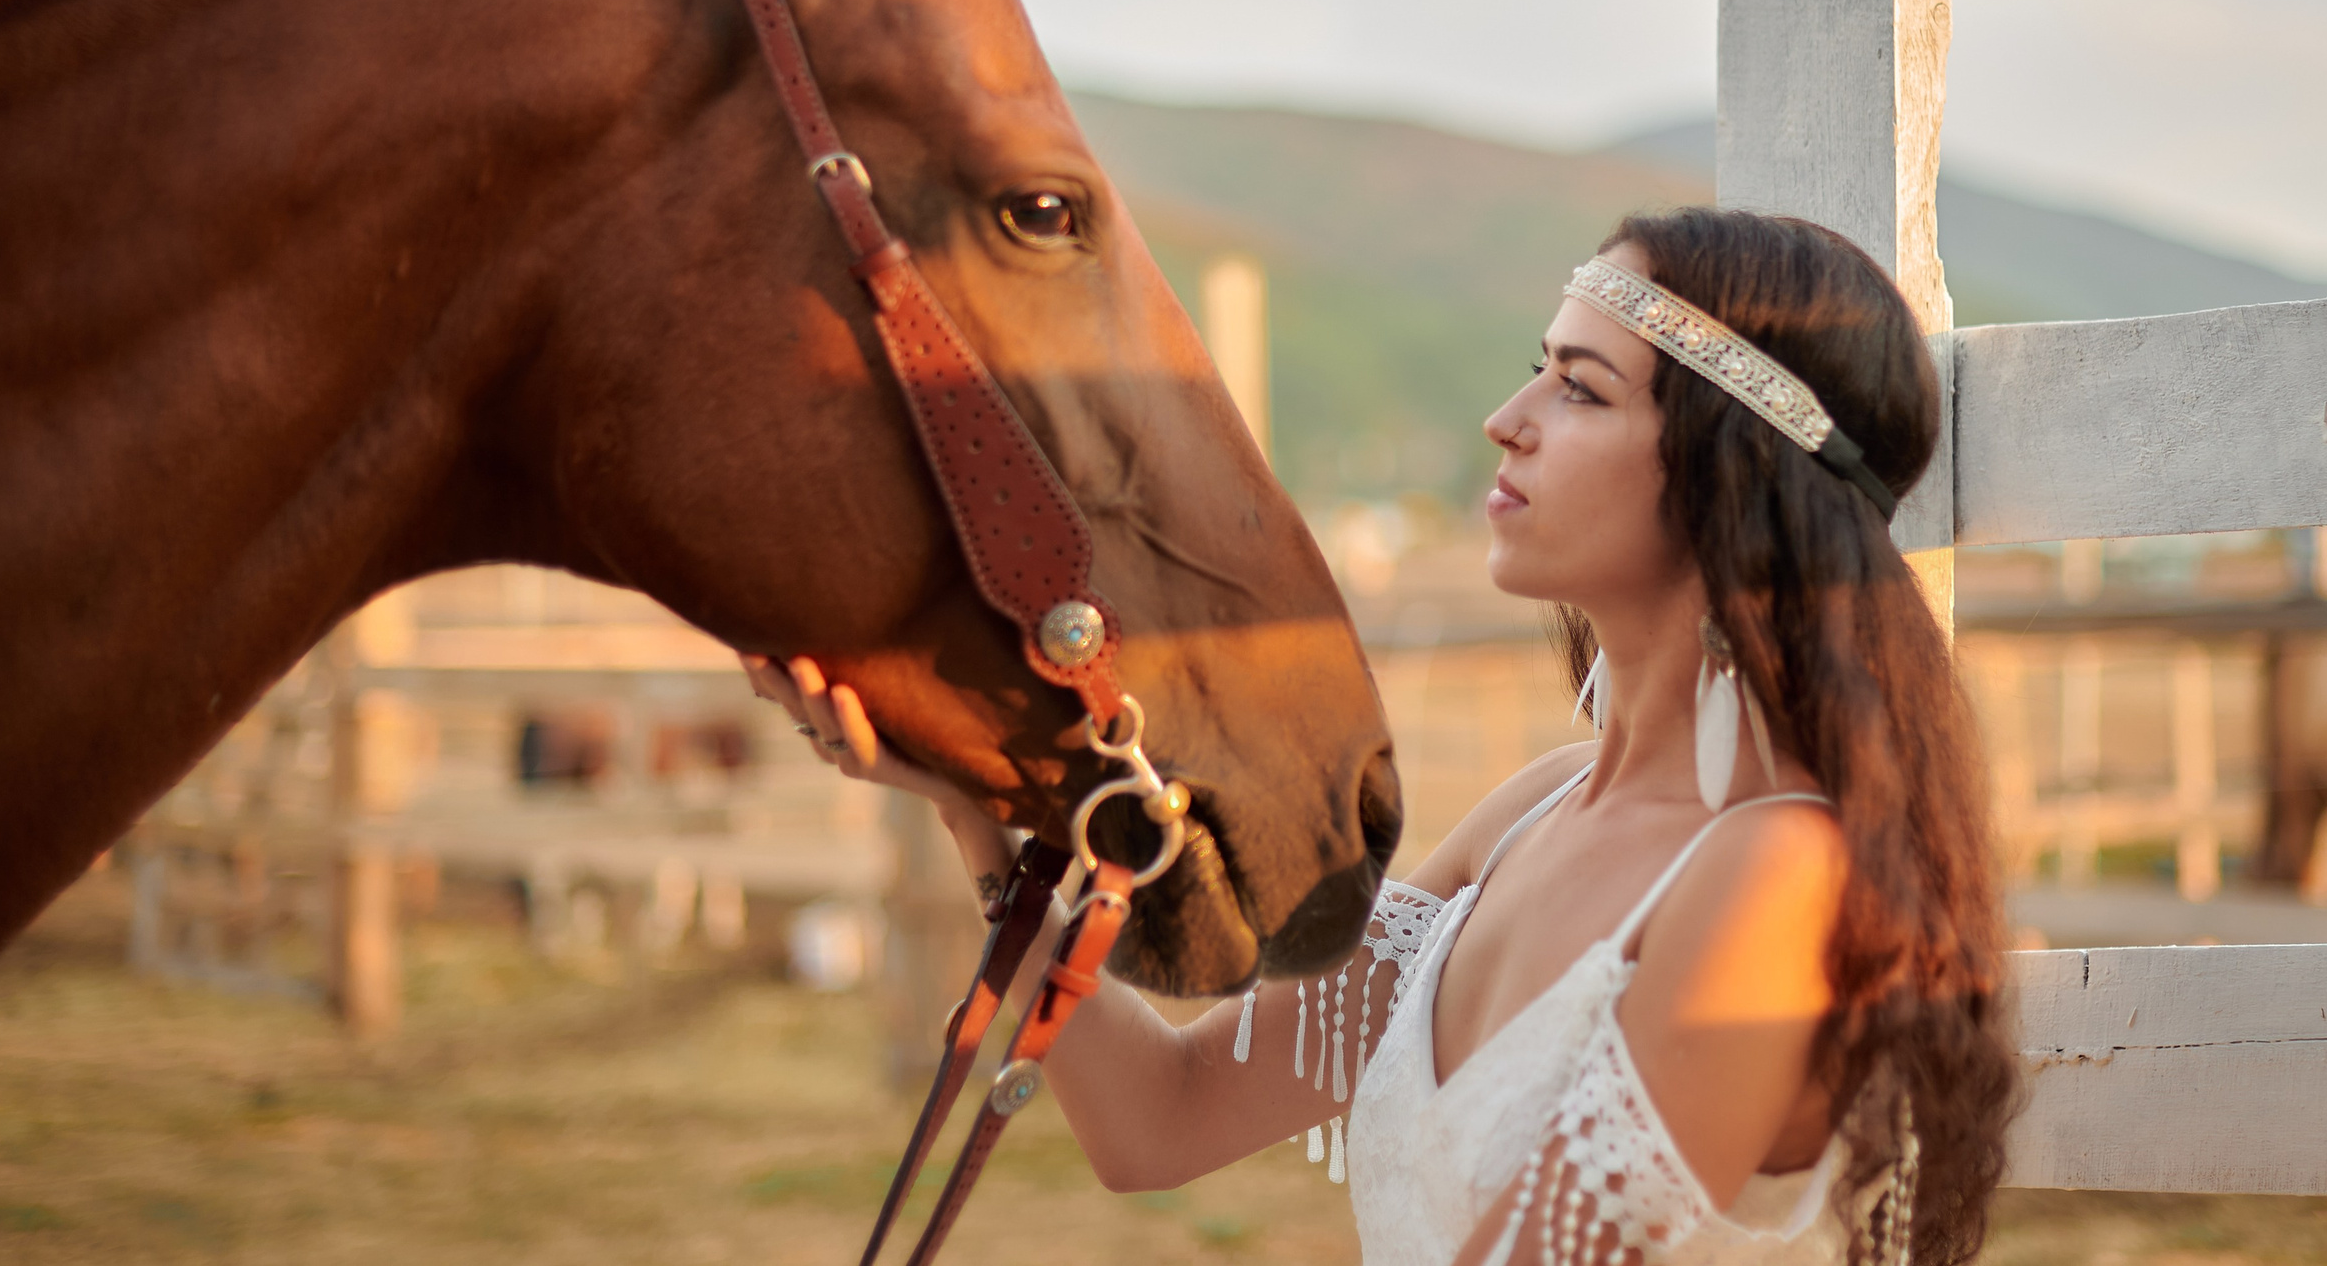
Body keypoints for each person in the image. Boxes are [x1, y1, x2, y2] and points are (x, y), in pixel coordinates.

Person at [749, 207, 2018, 1266]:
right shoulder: (1528, 816)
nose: (1507, 417)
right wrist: (969, 786)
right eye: (1540, 367)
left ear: (1727, 473)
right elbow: (1160, 1123)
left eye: (1580, 388)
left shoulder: (1773, 874)